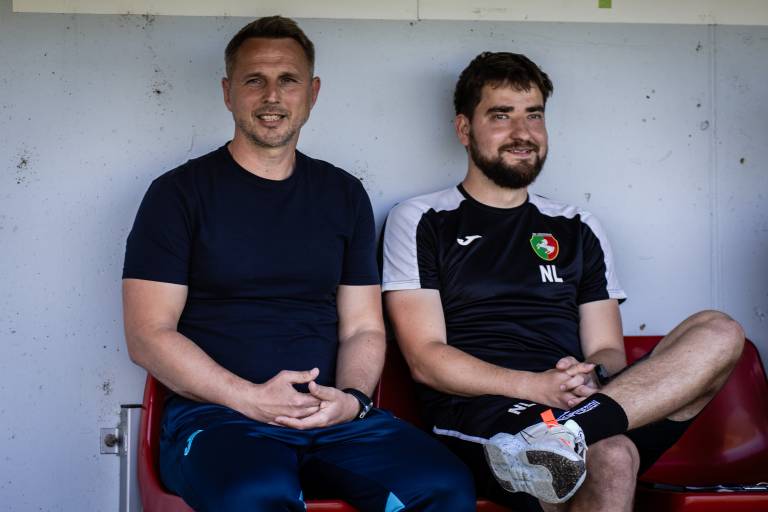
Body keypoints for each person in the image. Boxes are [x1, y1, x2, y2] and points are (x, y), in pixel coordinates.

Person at [122, 16, 474, 512]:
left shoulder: (343, 194)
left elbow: (363, 328)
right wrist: (248, 397)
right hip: (219, 417)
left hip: (330, 420)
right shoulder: (177, 195)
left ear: (312, 92)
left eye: (288, 80)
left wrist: (350, 400)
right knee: (256, 494)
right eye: (254, 80)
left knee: (444, 486)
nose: (272, 96)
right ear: (227, 93)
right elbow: (147, 335)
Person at [381, 51, 745, 512]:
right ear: (464, 129)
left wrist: (588, 378)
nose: (523, 133)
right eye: (501, 115)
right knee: (612, 455)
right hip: (484, 413)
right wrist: (537, 387)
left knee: (719, 330)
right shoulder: (422, 219)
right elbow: (426, 359)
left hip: (582, 405)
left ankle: (568, 433)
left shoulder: (578, 225)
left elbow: (607, 351)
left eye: (534, 115)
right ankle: (565, 435)